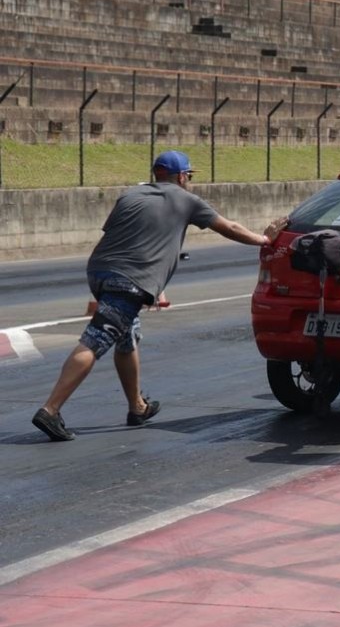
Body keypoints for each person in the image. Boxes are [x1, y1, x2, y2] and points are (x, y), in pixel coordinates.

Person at [31, 150, 288, 442]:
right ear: (181, 177)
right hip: (128, 282)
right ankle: (50, 410)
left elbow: (121, 233)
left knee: (127, 337)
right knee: (95, 340)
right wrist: (263, 239)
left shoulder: (131, 195)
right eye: (189, 176)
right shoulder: (186, 200)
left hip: (99, 272)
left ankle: (137, 407)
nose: (189, 181)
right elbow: (229, 227)